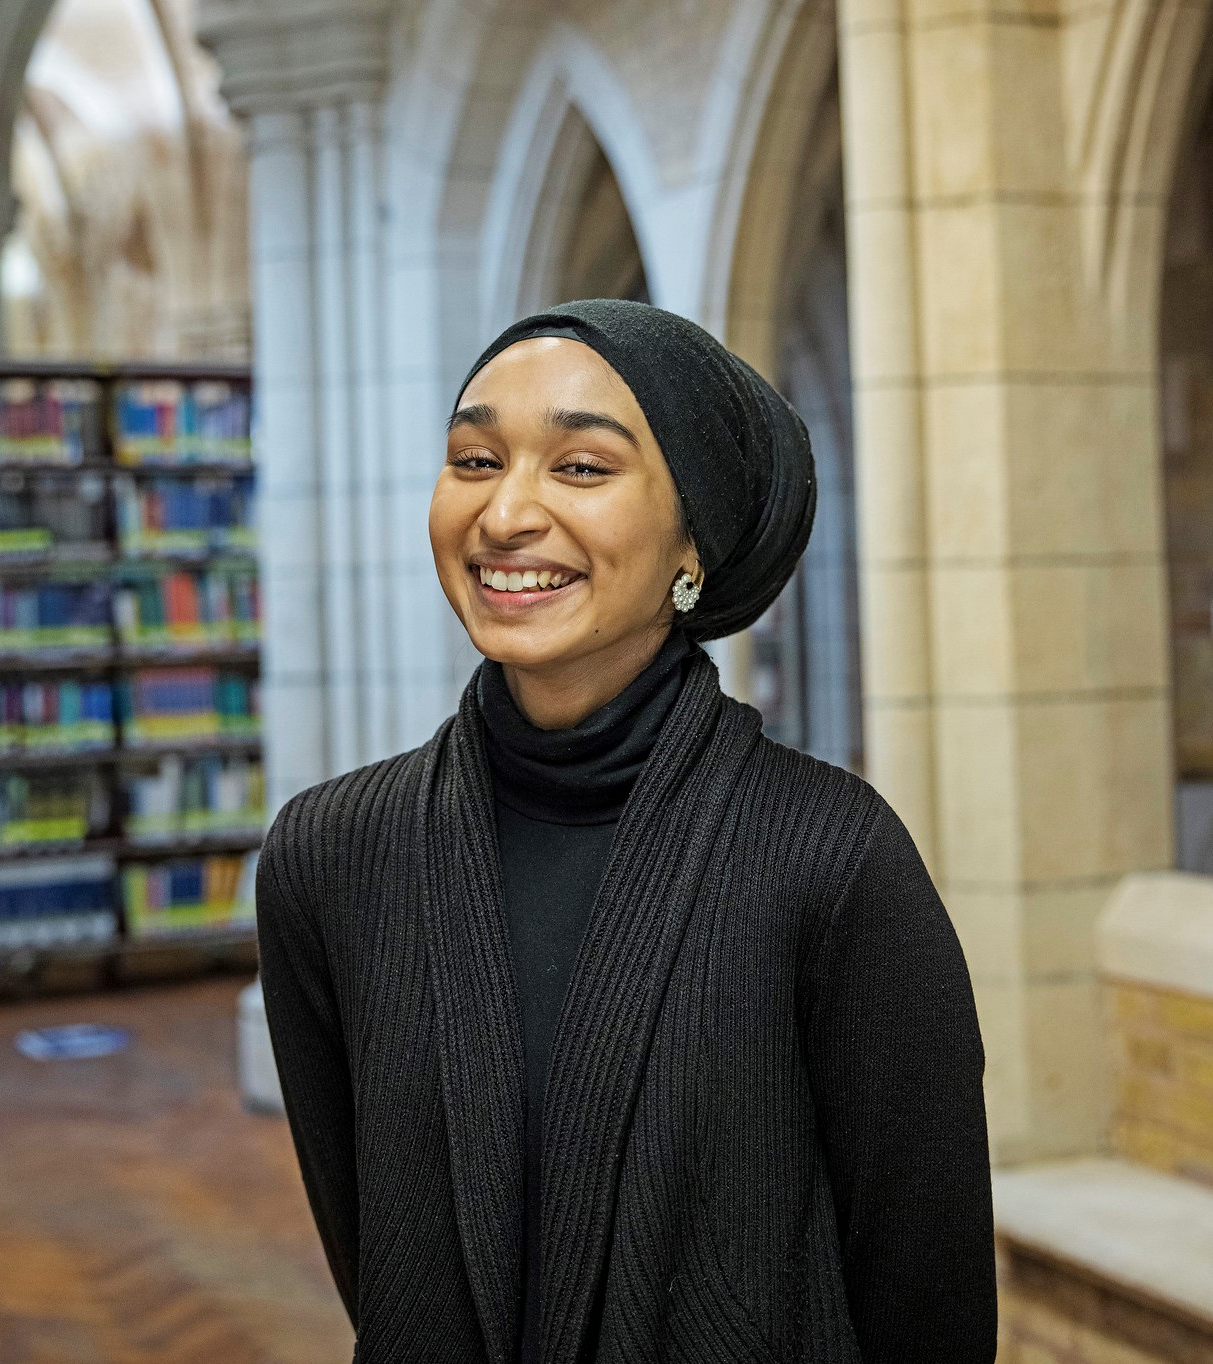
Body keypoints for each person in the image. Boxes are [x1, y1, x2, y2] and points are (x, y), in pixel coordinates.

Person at [255, 298, 998, 1364]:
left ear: (692, 537)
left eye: (581, 468)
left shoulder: (830, 861)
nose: (505, 513)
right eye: (473, 459)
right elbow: (377, 1251)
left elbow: (922, 1300)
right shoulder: (330, 856)